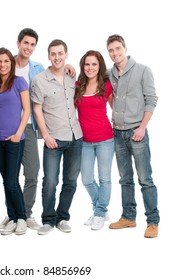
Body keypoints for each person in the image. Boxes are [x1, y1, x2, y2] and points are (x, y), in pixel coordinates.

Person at [0, 28, 76, 231]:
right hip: (5, 127)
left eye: (33, 44)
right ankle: (13, 215)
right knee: (10, 175)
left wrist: (68, 66)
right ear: (18, 43)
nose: (29, 47)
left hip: (29, 127)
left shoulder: (38, 67)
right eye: (26, 43)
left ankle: (26, 213)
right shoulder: (5, 64)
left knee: (32, 172)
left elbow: (54, 73)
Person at [106, 34, 160, 238]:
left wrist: (142, 127)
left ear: (125, 48)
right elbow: (90, 72)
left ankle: (153, 221)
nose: (115, 53)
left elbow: (152, 100)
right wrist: (71, 68)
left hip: (137, 132)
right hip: (117, 133)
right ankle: (128, 217)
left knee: (145, 178)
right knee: (125, 179)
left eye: (118, 48)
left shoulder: (143, 70)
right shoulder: (110, 72)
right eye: (111, 50)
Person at [31, 39, 83, 235]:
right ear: (48, 56)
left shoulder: (72, 78)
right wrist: (45, 136)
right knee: (50, 181)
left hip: (75, 138)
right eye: (53, 54)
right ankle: (48, 219)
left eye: (60, 53)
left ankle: (62, 217)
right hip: (53, 139)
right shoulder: (39, 80)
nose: (57, 57)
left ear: (66, 54)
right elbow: (37, 110)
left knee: (70, 181)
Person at [0, 47, 30, 235]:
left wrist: (17, 134)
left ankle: (21, 218)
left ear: (11, 63)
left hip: (15, 139)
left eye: (6, 61)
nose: (3, 65)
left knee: (12, 181)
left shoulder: (19, 82)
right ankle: (12, 218)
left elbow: (27, 110)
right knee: (5, 180)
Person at [74, 50, 114, 231]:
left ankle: (99, 213)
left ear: (100, 66)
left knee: (104, 178)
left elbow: (116, 107)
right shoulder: (77, 86)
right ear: (83, 66)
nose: (90, 68)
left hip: (105, 138)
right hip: (84, 141)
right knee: (87, 179)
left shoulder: (106, 85)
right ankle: (101, 209)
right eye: (87, 64)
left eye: (94, 64)